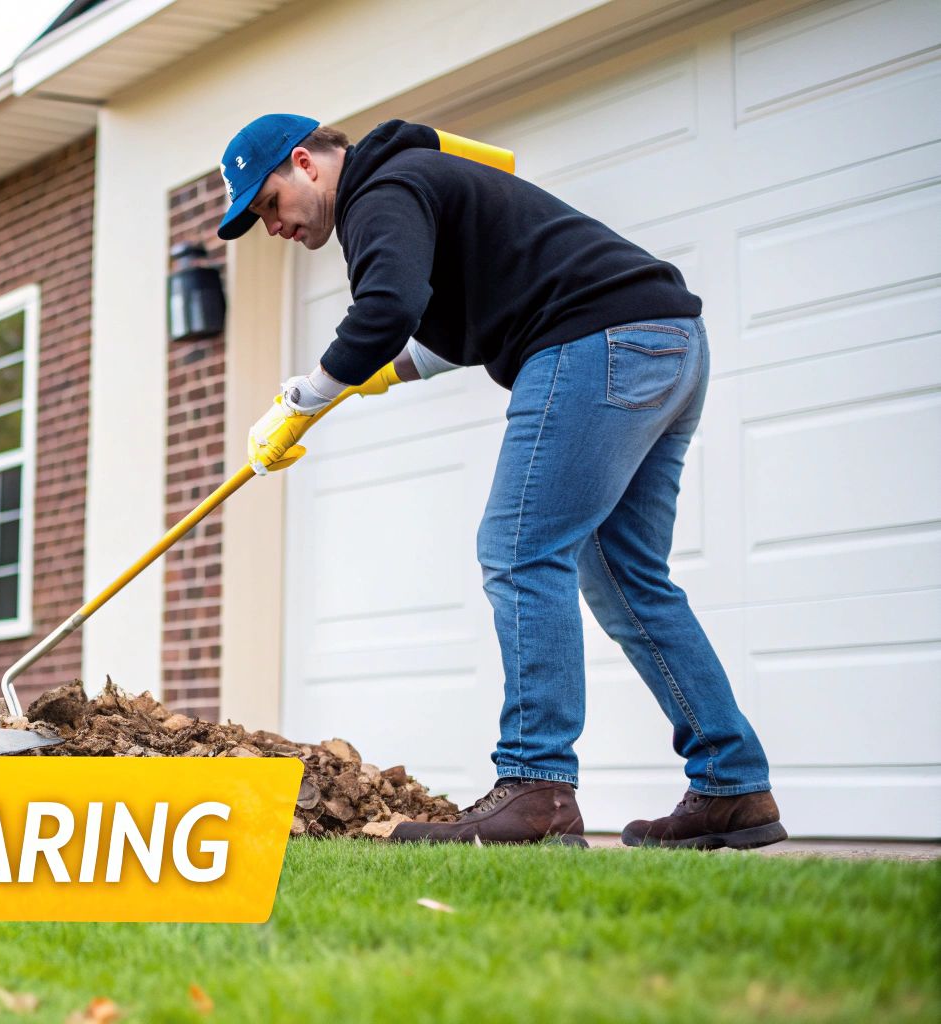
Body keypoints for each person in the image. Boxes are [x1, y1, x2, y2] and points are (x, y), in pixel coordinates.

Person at [223, 114, 786, 849]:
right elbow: (462, 322)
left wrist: (307, 397)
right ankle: (732, 784)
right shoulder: (414, 184)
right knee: (627, 577)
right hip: (664, 343)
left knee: (520, 550)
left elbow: (386, 308)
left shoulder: (377, 191)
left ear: (306, 164)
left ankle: (537, 786)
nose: (272, 226)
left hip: (597, 342)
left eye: (268, 203)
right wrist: (364, 382)